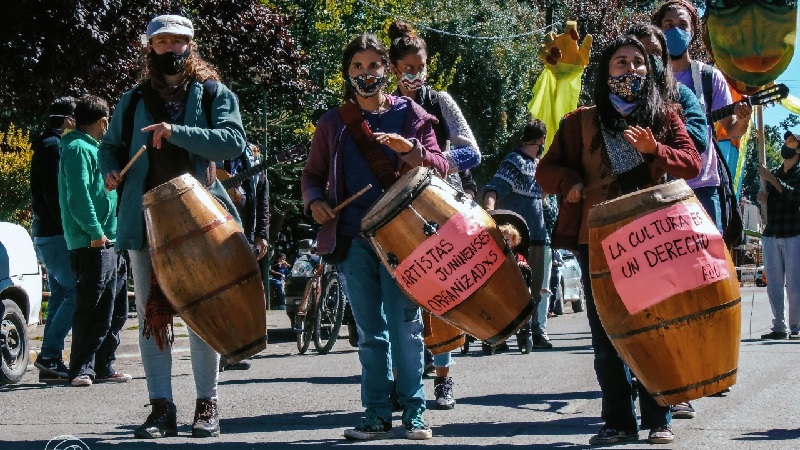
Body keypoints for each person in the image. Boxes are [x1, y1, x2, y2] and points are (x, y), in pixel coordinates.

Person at [536, 36, 701, 445]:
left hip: (652, 240)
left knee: (654, 328)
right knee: (607, 331)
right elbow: (546, 170)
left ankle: (658, 418)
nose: (630, 70)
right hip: (597, 238)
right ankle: (617, 421)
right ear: (606, 71)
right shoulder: (578, 122)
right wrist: (570, 181)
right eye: (620, 62)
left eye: (638, 63)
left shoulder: (664, 115)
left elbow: (692, 163)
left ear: (650, 70)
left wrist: (654, 148)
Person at [99, 14, 247, 438]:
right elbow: (110, 149)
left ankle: (207, 405)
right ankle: (161, 407)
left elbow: (232, 141)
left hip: (201, 219)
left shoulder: (215, 93)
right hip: (146, 221)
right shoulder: (131, 100)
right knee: (153, 319)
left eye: (178, 41)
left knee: (203, 316)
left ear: (191, 45)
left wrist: (175, 131)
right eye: (162, 42)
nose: (170, 49)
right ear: (150, 48)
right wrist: (110, 171)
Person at [301, 33, 446, 440]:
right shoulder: (334, 123)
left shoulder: (412, 115)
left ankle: (415, 412)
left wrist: (411, 149)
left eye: (373, 66)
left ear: (388, 70)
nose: (366, 73)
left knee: (406, 327)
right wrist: (315, 202)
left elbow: (439, 166)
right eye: (357, 67)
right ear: (347, 73)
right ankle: (377, 413)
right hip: (354, 238)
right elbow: (311, 175)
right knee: (370, 332)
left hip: (405, 240)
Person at [387, 19, 482, 411]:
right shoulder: (383, 104)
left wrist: (433, 160)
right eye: (406, 68)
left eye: (420, 67)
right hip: (396, 210)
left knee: (440, 291)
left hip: (440, 203)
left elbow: (472, 153)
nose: (414, 74)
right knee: (401, 297)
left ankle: (444, 378)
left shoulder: (440, 101)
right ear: (393, 69)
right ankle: (403, 381)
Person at [626, 21, 710, 421]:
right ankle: (631, 391)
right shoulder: (610, 101)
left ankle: (676, 389)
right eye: (633, 55)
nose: (640, 66)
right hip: (624, 216)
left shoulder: (681, 98)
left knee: (671, 305)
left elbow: (696, 147)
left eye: (650, 56)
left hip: (668, 213)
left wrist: (654, 147)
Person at [652, 0, 752, 233]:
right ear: (658, 30)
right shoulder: (648, 78)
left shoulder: (710, 77)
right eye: (668, 24)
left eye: (682, 24)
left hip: (703, 186)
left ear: (693, 31)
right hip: (657, 187)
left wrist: (744, 118)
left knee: (709, 263)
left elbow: (732, 128)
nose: (675, 30)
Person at [57, 94, 131, 388]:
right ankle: (82, 368)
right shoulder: (76, 149)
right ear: (102, 121)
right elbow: (78, 196)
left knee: (115, 307)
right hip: (93, 242)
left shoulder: (94, 149)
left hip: (111, 238)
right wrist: (95, 232)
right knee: (93, 306)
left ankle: (103, 364)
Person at [482, 119, 552, 350]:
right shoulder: (515, 161)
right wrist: (491, 217)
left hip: (539, 236)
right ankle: (502, 336)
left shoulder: (539, 166)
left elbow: (542, 201)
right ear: (541, 140)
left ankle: (534, 332)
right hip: (517, 238)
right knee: (512, 288)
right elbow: (493, 188)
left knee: (535, 288)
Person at [30, 96, 79, 381]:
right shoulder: (54, 148)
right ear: (69, 120)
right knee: (75, 291)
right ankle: (49, 355)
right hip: (56, 232)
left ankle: (51, 360)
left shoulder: (46, 146)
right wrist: (70, 227)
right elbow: (54, 195)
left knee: (62, 292)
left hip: (47, 232)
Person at [758, 131, 800, 341]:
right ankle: (779, 326)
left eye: (791, 141)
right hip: (772, 232)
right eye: (786, 140)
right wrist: (763, 198)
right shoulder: (773, 173)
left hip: (794, 233)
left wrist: (771, 180)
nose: (786, 144)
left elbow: (793, 196)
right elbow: (773, 197)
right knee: (774, 283)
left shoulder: (796, 173)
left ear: (798, 150)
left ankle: (795, 326)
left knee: (794, 284)